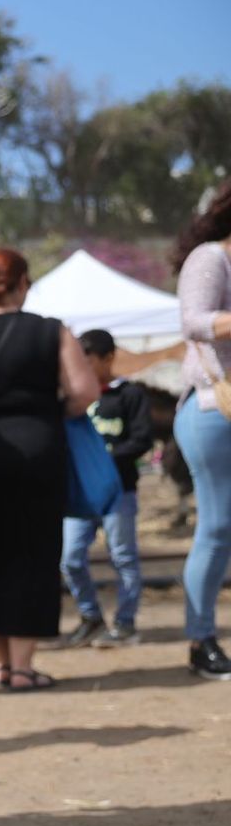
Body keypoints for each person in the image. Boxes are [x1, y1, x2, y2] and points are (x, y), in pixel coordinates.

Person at [0, 248, 101, 691]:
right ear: (23, 282)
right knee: (32, 552)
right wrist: (50, 411)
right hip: (36, 448)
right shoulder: (50, 331)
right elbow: (85, 390)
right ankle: (24, 665)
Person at [61, 329, 154, 649]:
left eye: (88, 359)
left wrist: (105, 460)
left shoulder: (129, 395)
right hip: (80, 494)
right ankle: (90, 616)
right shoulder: (71, 401)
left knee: (123, 557)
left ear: (108, 358)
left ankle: (125, 623)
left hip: (118, 492)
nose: (82, 366)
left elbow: (142, 439)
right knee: (70, 558)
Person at [174, 179, 231, 679]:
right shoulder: (211, 258)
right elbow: (192, 322)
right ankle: (200, 640)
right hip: (215, 409)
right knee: (217, 527)